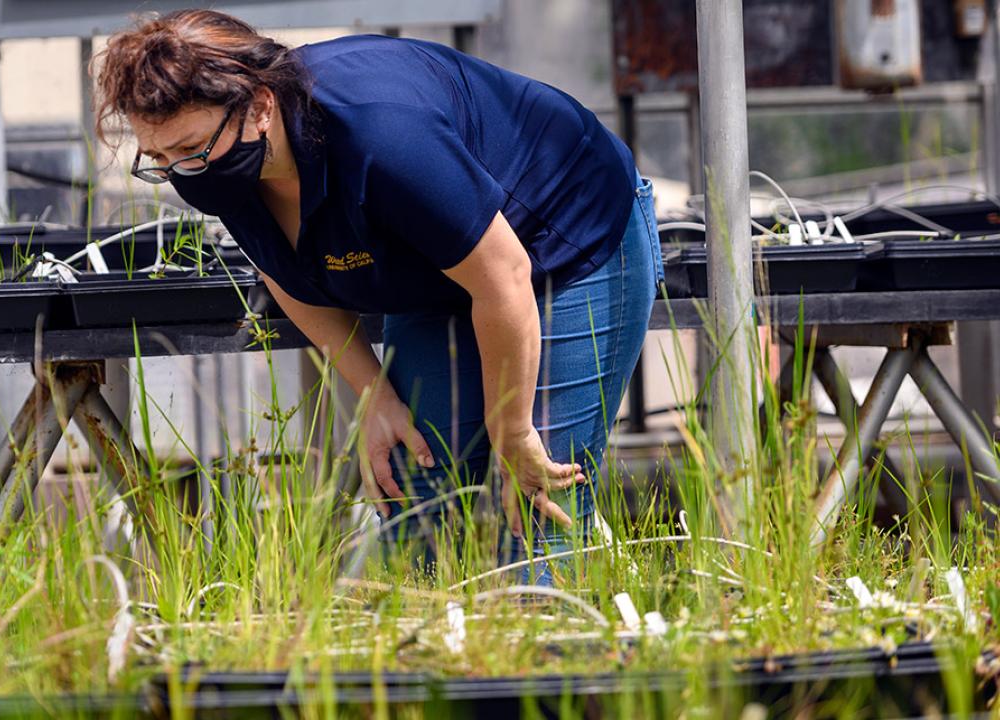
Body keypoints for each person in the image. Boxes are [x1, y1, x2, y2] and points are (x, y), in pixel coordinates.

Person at [94, 10, 663, 579]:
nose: (183, 176)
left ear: (260, 107)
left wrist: (510, 428)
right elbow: (284, 273)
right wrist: (373, 394)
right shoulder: (229, 167)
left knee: (534, 501)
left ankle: (554, 645)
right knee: (415, 498)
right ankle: (437, 659)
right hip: (439, 272)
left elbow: (504, 276)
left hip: (562, 239)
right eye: (161, 161)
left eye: (190, 150)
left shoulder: (379, 134)